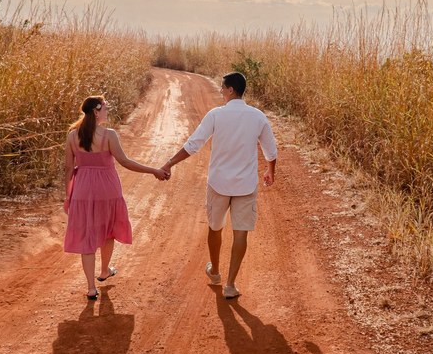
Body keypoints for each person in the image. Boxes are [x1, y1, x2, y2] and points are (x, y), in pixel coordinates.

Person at [161, 72, 277, 299]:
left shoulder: (216, 115)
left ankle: (215, 272)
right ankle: (231, 284)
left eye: (222, 88)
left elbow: (194, 144)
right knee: (241, 233)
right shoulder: (258, 117)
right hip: (245, 184)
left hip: (219, 183)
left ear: (231, 90)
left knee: (215, 228)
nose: (221, 91)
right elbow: (271, 150)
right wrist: (270, 171)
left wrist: (170, 162)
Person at [63, 95, 167, 299]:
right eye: (105, 108)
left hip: (82, 189)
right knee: (108, 230)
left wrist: (68, 195)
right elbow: (125, 162)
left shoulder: (72, 136)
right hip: (107, 189)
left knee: (87, 237)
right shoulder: (109, 135)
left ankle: (91, 287)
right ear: (96, 111)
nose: (108, 111)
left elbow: (68, 168)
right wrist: (153, 170)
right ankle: (104, 270)